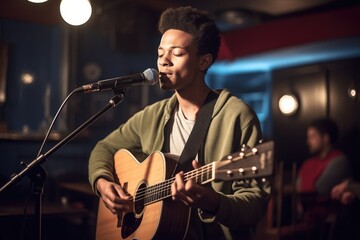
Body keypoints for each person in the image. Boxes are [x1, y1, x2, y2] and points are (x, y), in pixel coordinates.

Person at [88, 6, 269, 240]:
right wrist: (103, 183)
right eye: (160, 52)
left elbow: (254, 205)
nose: (164, 61)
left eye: (177, 53)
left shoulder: (236, 116)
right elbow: (103, 149)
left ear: (203, 61)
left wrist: (213, 201)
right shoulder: (152, 116)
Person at [297, 119, 351, 195]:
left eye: (313, 136)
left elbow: (321, 189)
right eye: (308, 137)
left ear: (326, 138)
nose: (308, 141)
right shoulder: (307, 164)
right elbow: (298, 189)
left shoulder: (339, 161)